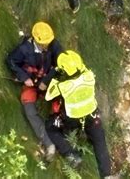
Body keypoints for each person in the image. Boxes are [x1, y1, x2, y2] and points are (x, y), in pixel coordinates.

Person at [44, 50, 115, 178]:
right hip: (92, 116)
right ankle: (107, 175)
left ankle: (71, 155)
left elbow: (48, 96)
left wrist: (55, 74)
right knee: (99, 141)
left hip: (72, 119)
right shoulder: (89, 75)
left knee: (51, 128)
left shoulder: (63, 86)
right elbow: (81, 70)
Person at [6, 21, 62, 161]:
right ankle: (49, 143)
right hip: (32, 82)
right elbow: (11, 61)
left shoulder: (53, 44)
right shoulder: (24, 49)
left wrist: (46, 80)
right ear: (36, 40)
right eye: (45, 43)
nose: (47, 45)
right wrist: (24, 77)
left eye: (48, 42)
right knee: (29, 108)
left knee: (58, 103)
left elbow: (60, 63)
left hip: (48, 81)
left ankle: (61, 131)